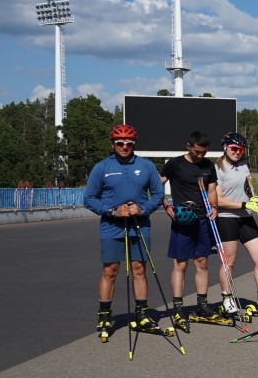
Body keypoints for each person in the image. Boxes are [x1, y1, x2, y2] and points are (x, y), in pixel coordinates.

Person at [83, 125, 164, 338]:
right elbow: (89, 198)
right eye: (120, 143)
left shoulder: (146, 166)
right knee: (110, 270)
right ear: (113, 144)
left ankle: (142, 314)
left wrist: (143, 208)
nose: (125, 146)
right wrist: (111, 211)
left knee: (139, 268)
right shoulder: (102, 167)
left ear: (134, 144)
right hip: (112, 226)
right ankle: (104, 315)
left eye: (129, 143)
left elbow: (158, 194)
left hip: (140, 224)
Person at [159, 131, 219, 328]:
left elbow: (212, 190)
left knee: (202, 262)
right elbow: (157, 184)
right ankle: (178, 307)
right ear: (189, 146)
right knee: (181, 264)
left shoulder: (208, 166)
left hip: (203, 220)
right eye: (197, 152)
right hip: (183, 220)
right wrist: (166, 205)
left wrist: (215, 207)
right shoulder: (175, 164)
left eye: (204, 152)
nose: (200, 156)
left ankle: (202, 304)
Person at [213, 132, 258, 315]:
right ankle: (227, 298)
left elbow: (247, 190)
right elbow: (217, 200)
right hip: (226, 218)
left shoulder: (244, 167)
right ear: (225, 147)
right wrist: (243, 204)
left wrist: (251, 199)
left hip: (246, 216)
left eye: (241, 149)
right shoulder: (217, 168)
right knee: (229, 261)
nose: (238, 152)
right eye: (234, 148)